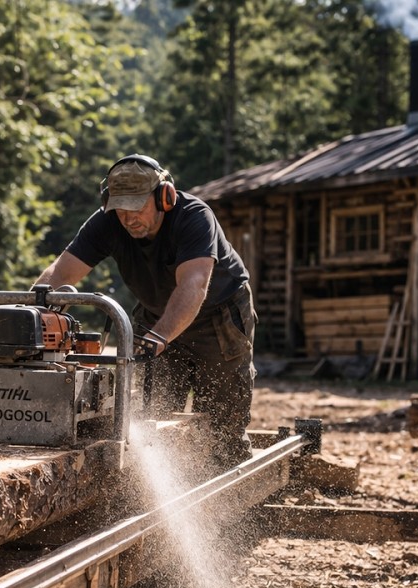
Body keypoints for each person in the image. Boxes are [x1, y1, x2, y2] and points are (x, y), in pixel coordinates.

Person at [35, 154, 257, 470]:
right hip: (155, 317)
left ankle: (234, 490)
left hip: (217, 320)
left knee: (223, 422)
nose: (128, 218)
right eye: (120, 209)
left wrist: (161, 336)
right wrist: (28, 317)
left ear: (164, 197)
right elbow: (61, 272)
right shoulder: (107, 223)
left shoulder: (194, 218)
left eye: (137, 207)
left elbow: (194, 285)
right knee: (152, 416)